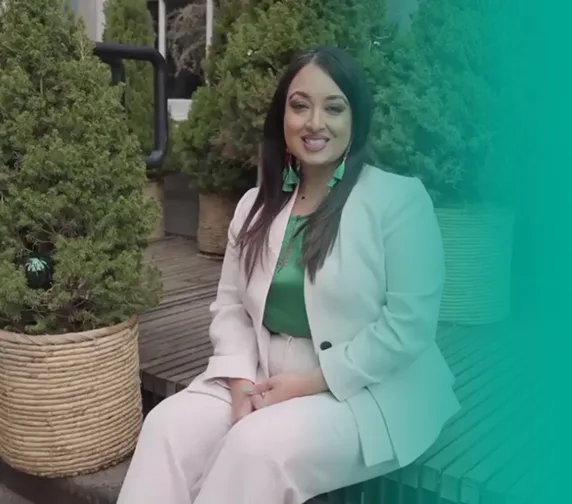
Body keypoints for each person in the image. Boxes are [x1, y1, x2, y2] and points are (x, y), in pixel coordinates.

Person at [117, 46, 460, 504]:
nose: (315, 123)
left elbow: (408, 327)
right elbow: (231, 306)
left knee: (254, 448)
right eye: (300, 106)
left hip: (368, 388)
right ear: (283, 116)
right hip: (261, 370)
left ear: (356, 118)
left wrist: (308, 383)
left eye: (334, 108)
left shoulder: (398, 202)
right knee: (167, 426)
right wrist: (239, 380)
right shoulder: (255, 204)